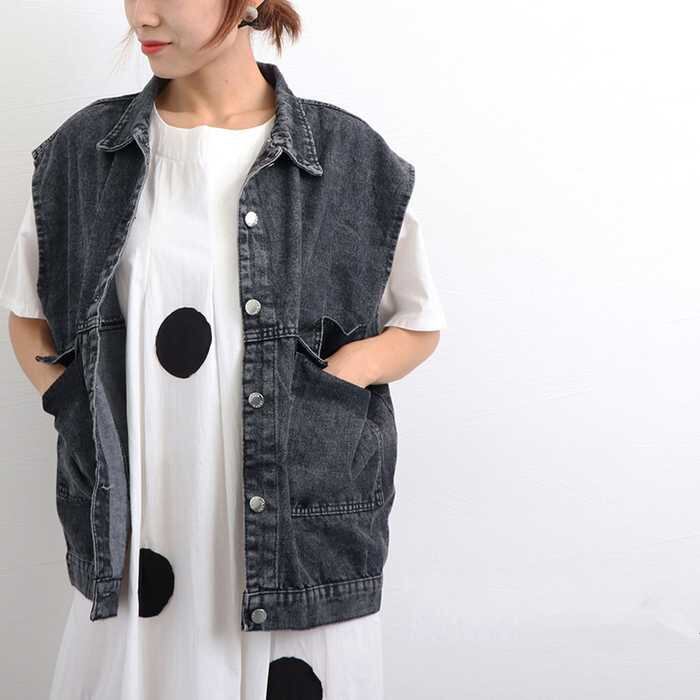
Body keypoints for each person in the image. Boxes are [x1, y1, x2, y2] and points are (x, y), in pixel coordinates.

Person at [0, 1, 447, 698]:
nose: (142, 15)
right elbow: (28, 315)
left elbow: (419, 323)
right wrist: (68, 400)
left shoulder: (348, 156)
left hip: (295, 535)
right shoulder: (84, 153)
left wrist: (346, 373)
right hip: (141, 526)